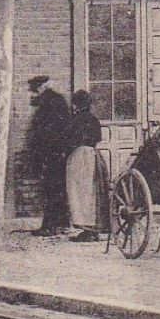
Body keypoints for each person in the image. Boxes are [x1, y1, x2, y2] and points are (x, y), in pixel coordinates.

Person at [26, 75, 73, 235]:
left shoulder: (48, 103)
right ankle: (61, 223)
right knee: (57, 189)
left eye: (33, 91)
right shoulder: (56, 101)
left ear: (40, 88)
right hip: (56, 153)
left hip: (51, 153)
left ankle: (50, 226)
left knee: (52, 190)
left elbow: (48, 132)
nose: (32, 95)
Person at [64, 89, 108, 242]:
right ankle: (94, 228)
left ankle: (86, 229)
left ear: (76, 105)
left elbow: (68, 139)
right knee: (93, 192)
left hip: (78, 156)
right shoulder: (94, 120)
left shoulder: (74, 120)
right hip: (93, 155)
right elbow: (98, 138)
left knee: (79, 192)